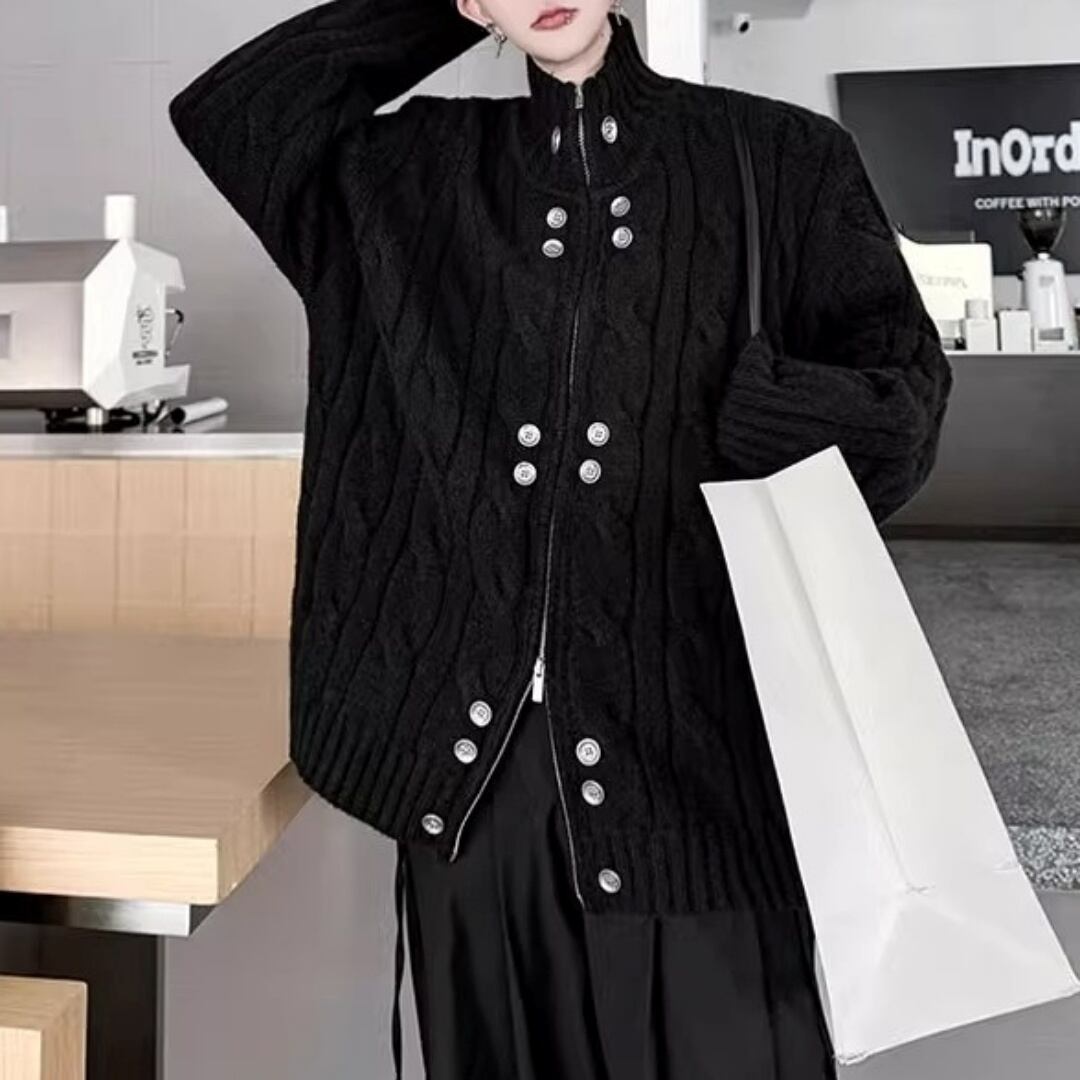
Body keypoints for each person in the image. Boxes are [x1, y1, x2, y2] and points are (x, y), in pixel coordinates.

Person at [168, 1, 954, 1077]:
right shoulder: (407, 175)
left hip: (706, 769)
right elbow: (237, 112)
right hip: (476, 786)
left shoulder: (782, 158)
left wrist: (777, 416)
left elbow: (906, 406)